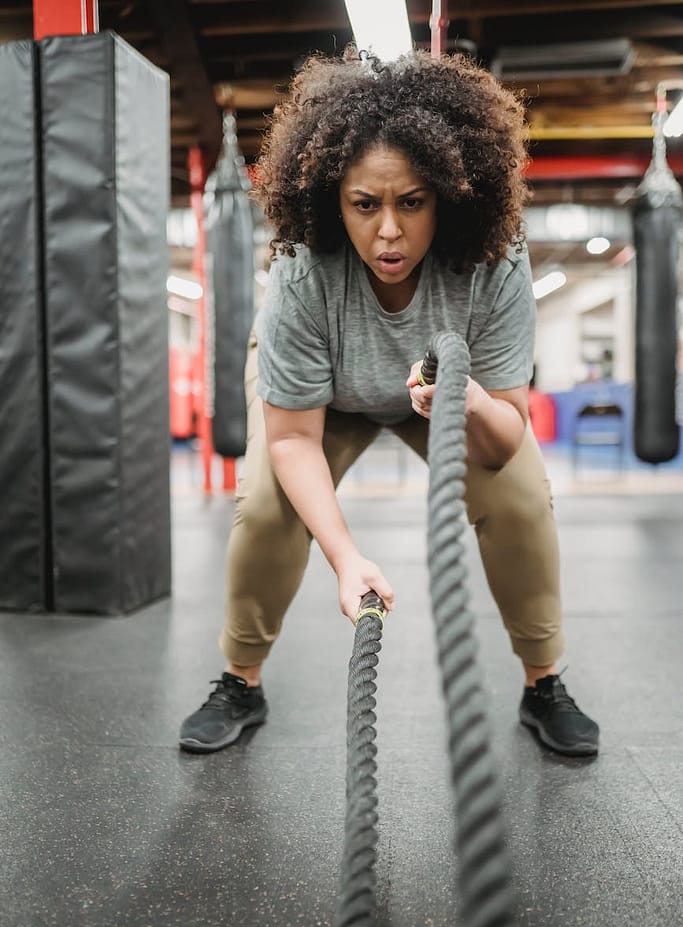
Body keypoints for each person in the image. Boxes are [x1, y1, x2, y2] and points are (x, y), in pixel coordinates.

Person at [179, 48, 599, 758]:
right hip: (322, 405)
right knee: (267, 508)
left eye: (411, 202)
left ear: (448, 194)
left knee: (522, 497)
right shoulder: (302, 265)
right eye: (363, 204)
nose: (388, 232)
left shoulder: (494, 259)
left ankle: (543, 683)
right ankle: (240, 681)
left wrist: (461, 405)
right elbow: (291, 441)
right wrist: (346, 561)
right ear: (332, 199)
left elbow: (504, 439)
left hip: (442, 399)